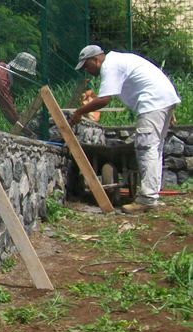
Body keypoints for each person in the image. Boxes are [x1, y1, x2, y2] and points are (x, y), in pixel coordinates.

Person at [70, 45, 181, 214]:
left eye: (87, 66)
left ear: (96, 60)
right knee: (155, 148)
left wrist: (79, 112)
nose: (87, 70)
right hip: (162, 99)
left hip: (153, 102)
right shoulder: (119, 60)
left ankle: (148, 199)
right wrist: (167, 108)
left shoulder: (110, 66)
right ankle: (152, 196)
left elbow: (104, 99)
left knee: (146, 148)